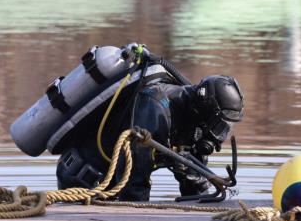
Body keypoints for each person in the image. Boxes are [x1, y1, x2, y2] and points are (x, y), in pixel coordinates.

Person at [56, 74, 244, 201]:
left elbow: (194, 183)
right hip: (84, 181)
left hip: (110, 184)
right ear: (204, 110)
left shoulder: (194, 121)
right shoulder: (154, 107)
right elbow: (134, 184)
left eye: (226, 127)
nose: (220, 134)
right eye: (219, 125)